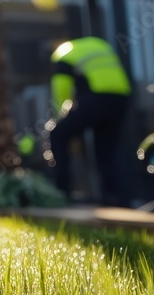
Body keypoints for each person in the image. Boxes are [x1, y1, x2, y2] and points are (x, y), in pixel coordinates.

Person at [48, 37, 131, 205]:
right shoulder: (99, 43)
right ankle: (115, 198)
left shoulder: (63, 54)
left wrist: (58, 118)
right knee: (106, 149)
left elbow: (61, 91)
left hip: (95, 97)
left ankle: (62, 192)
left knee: (58, 134)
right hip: (121, 97)